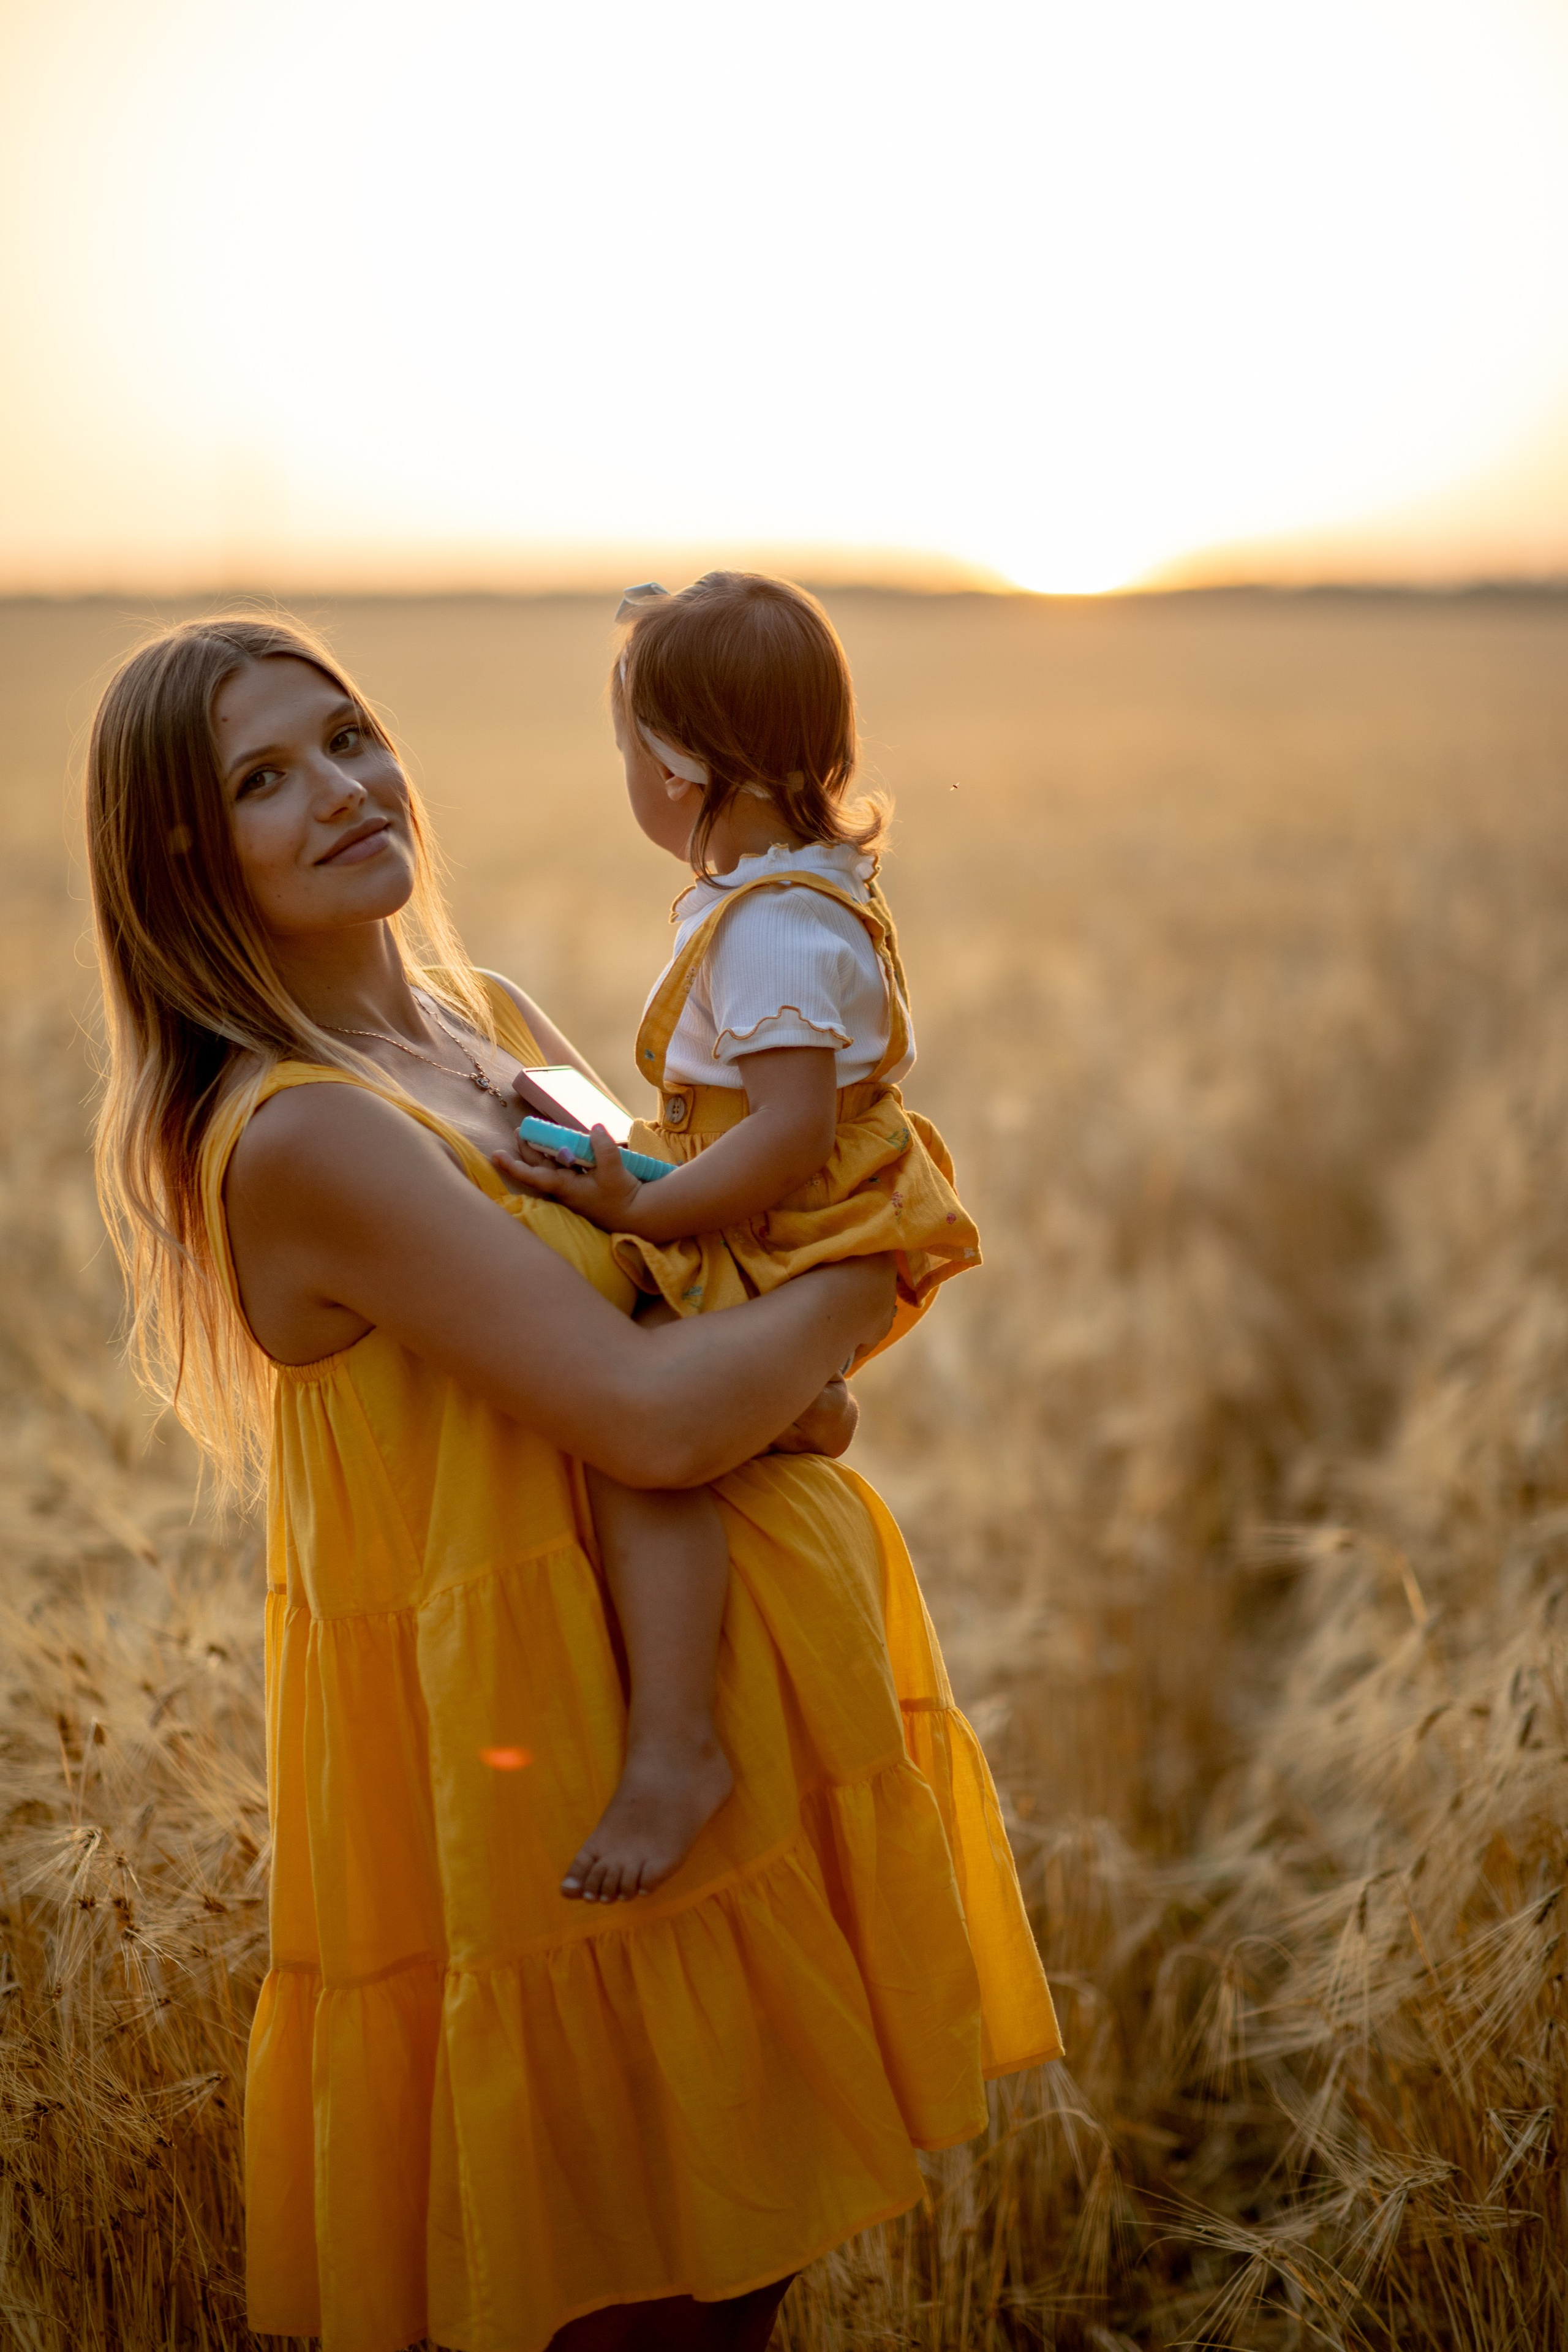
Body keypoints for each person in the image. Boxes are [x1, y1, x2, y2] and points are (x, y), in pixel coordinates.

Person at [86, 612, 1062, 2352]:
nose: (342, 791)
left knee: (740, 2282)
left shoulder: (491, 1022)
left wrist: (777, 1358)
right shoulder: (302, 1132)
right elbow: (666, 1414)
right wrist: (870, 1274)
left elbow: (706, 1329)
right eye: (261, 777)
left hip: (732, 1737)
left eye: (348, 736)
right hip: (554, 1782)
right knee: (639, 2311)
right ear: (180, 857)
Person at [507, 574, 984, 1908]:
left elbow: (776, 1139)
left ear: (676, 761)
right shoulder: (793, 891)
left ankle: (674, 1748)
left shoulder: (769, 928)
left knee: (633, 1420)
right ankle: (791, 1409)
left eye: (624, 747)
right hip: (802, 1199)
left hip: (796, 1216)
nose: (625, 776)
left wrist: (640, 1205)